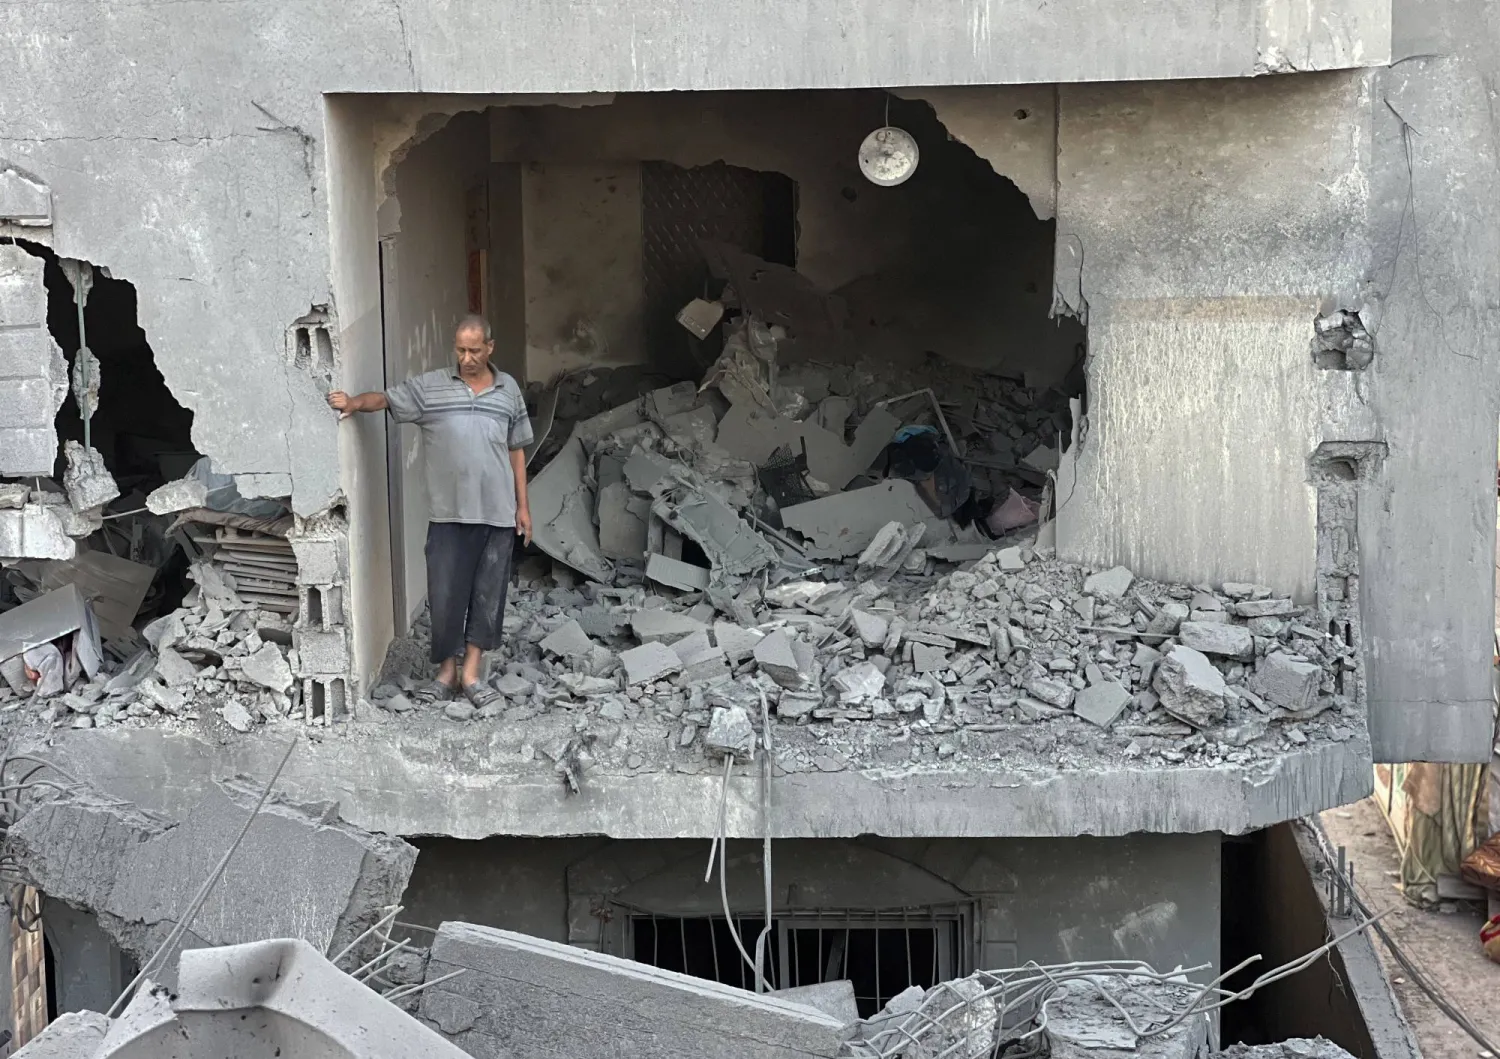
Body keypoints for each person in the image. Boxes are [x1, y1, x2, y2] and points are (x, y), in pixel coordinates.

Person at [327, 315, 532, 708]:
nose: (466, 358)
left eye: (474, 350)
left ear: (490, 348)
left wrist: (523, 507)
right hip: (447, 514)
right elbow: (386, 399)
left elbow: (517, 449)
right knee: (445, 595)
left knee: (488, 595)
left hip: (497, 513)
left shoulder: (508, 390)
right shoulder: (432, 388)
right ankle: (446, 673)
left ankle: (471, 674)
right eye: (460, 350)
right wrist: (353, 403)